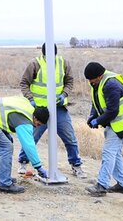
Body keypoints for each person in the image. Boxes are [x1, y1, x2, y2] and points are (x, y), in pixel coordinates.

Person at [18, 43, 86, 178]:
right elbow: (24, 83)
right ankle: (23, 163)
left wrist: (64, 94)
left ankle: (76, 165)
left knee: (70, 137)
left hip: (58, 108)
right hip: (39, 110)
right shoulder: (35, 64)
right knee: (31, 137)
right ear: (43, 53)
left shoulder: (63, 63)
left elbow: (69, 82)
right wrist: (31, 99)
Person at [83, 61, 123, 197]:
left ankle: (101, 185)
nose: (90, 82)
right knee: (114, 153)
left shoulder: (111, 85)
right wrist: (93, 115)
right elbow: (96, 100)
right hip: (118, 123)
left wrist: (98, 120)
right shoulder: (97, 83)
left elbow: (112, 111)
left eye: (91, 79)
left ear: (99, 76)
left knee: (108, 153)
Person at [0, 95, 50, 194]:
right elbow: (29, 146)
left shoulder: (29, 107)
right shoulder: (24, 121)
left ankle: (2, 177)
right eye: (38, 124)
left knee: (6, 143)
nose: (36, 126)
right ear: (35, 117)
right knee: (6, 147)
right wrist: (39, 167)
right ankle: (5, 185)